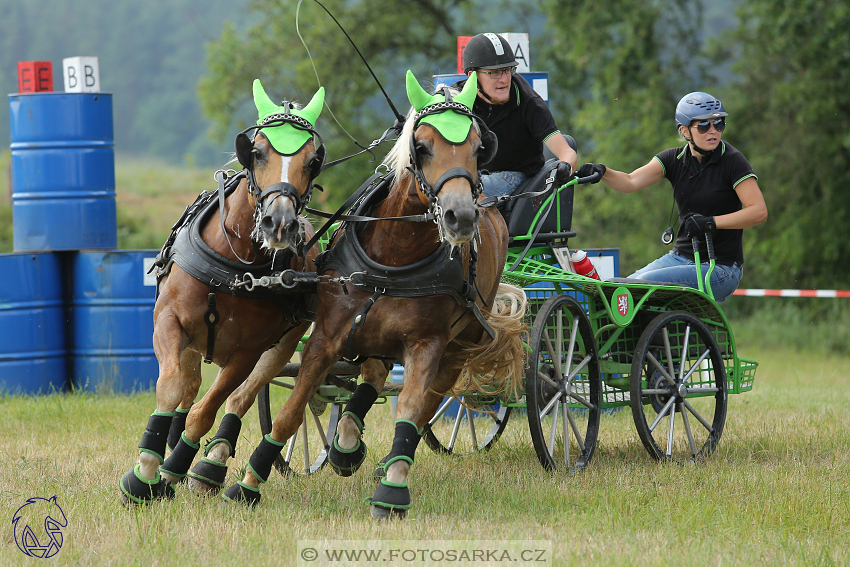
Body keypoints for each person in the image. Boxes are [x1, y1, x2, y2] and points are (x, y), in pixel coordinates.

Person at [577, 91, 767, 302]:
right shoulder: (673, 159)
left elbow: (758, 211)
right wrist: (603, 172)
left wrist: (711, 223)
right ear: (685, 130)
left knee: (643, 285)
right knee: (620, 288)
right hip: (680, 258)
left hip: (720, 268)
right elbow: (630, 182)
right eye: (704, 126)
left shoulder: (733, 161)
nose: (713, 131)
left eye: (719, 124)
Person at [455, 33, 578, 198]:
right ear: (473, 76)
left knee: (463, 194)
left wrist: (566, 166)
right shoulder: (455, 100)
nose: (505, 79)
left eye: (507, 70)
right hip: (471, 175)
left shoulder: (528, 101)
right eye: (495, 73)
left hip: (517, 176)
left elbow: (567, 152)